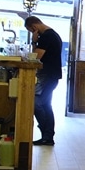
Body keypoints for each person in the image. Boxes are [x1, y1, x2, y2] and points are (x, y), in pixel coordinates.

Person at [24, 16, 63, 146]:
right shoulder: (54, 34)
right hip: (51, 75)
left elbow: (36, 57)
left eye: (31, 31)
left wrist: (34, 41)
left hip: (47, 75)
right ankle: (47, 136)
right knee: (45, 104)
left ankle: (47, 135)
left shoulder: (46, 36)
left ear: (34, 27)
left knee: (38, 104)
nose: (33, 33)